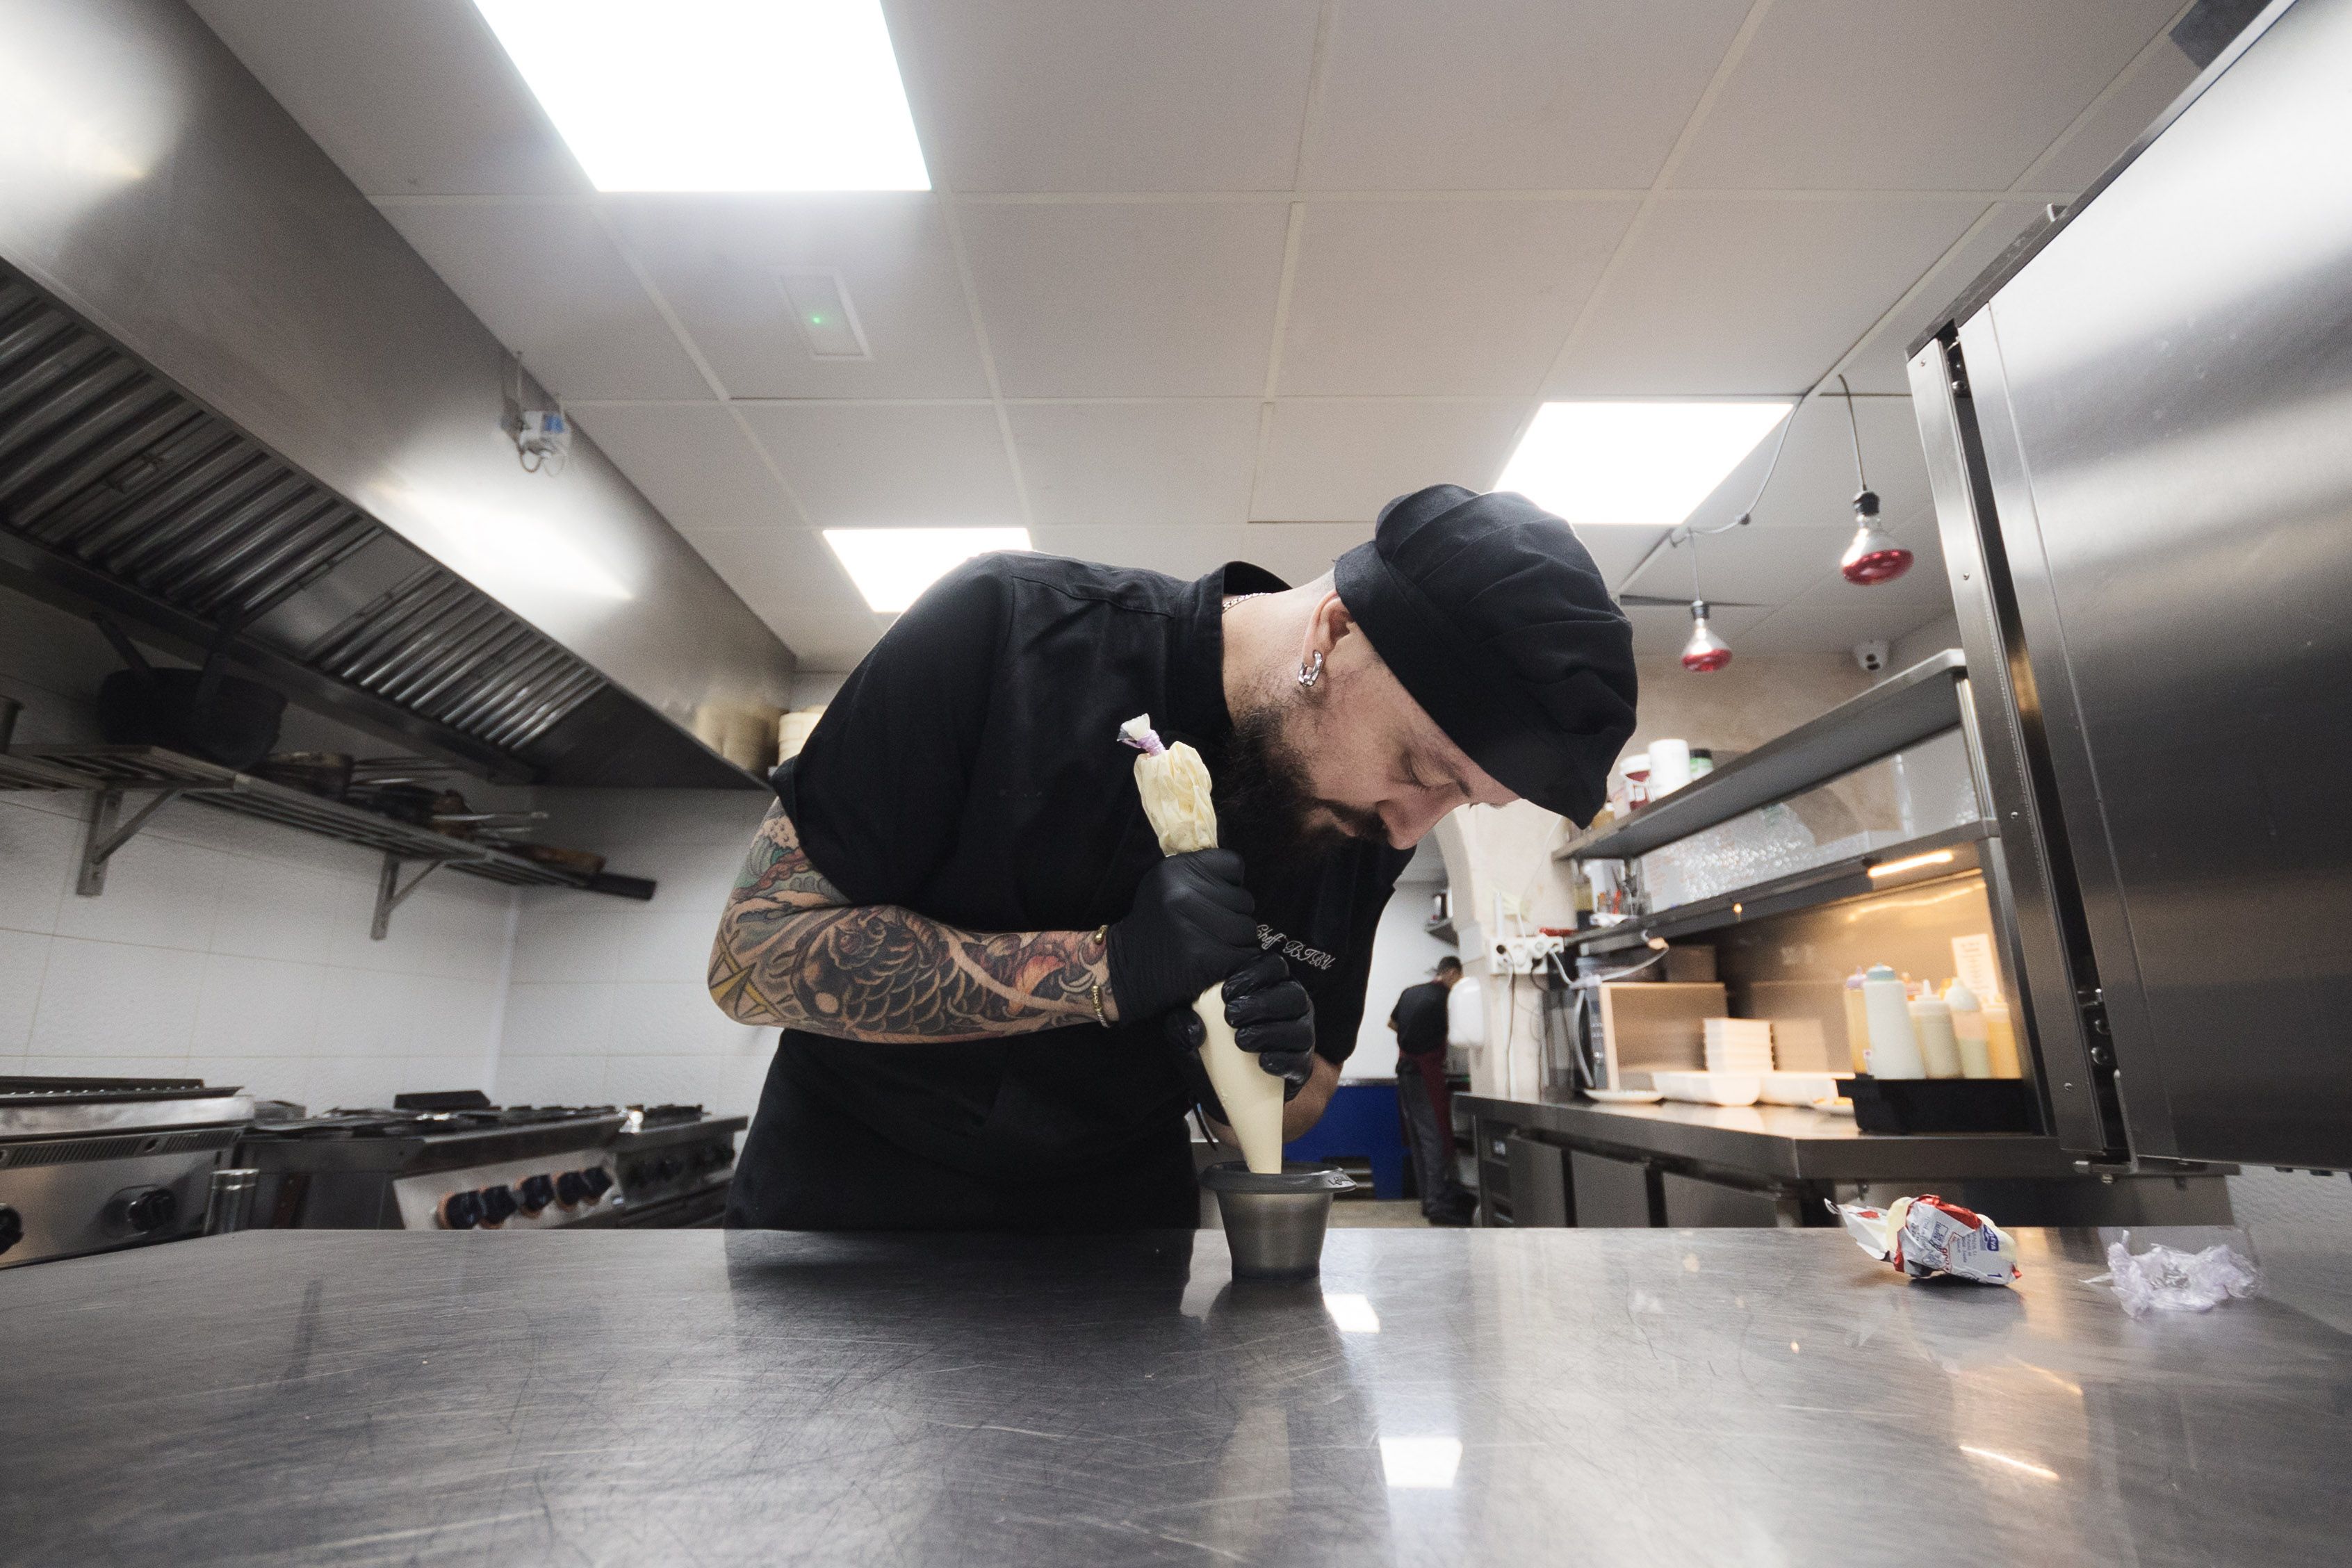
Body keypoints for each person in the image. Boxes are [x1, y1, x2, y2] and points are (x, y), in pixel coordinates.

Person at [706, 484, 1636, 1231]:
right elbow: (750, 958)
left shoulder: (1366, 819)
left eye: (1459, 799)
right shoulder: (1013, 632)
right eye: (1419, 769)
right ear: (1335, 635)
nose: (1409, 828)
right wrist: (1114, 968)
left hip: (1115, 1253)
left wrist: (1258, 1071)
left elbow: (1305, 1093)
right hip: (843, 1224)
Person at [1389, 956, 1476, 1225]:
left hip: (1404, 1070)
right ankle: (1438, 1204)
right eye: (1459, 979)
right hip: (1424, 1072)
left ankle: (1429, 1199)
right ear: (1451, 973)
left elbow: (1392, 1024)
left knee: (1418, 1137)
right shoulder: (1446, 999)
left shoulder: (1410, 992)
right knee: (1434, 1137)